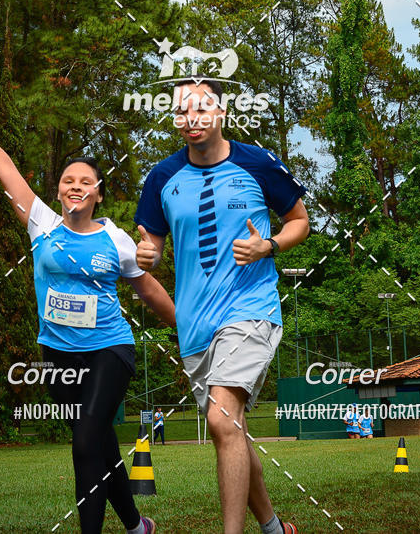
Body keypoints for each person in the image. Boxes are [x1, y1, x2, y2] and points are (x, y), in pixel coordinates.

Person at [0, 81, 175, 534]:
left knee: (83, 444)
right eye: (68, 180)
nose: (76, 186)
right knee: (100, 447)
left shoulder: (116, 240)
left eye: (85, 182)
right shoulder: (41, 222)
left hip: (109, 350)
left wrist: (191, 332)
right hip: (57, 359)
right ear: (58, 191)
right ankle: (138, 528)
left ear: (98, 193)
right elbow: (6, 168)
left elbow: (150, 291)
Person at [135, 79, 309, 534]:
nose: (191, 119)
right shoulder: (161, 178)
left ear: (221, 113)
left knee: (221, 418)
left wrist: (267, 245)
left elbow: (301, 221)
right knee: (230, 431)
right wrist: (147, 254)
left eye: (200, 108)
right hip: (195, 327)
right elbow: (149, 246)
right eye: (181, 111)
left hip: (251, 310)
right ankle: (273, 528)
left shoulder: (258, 162)